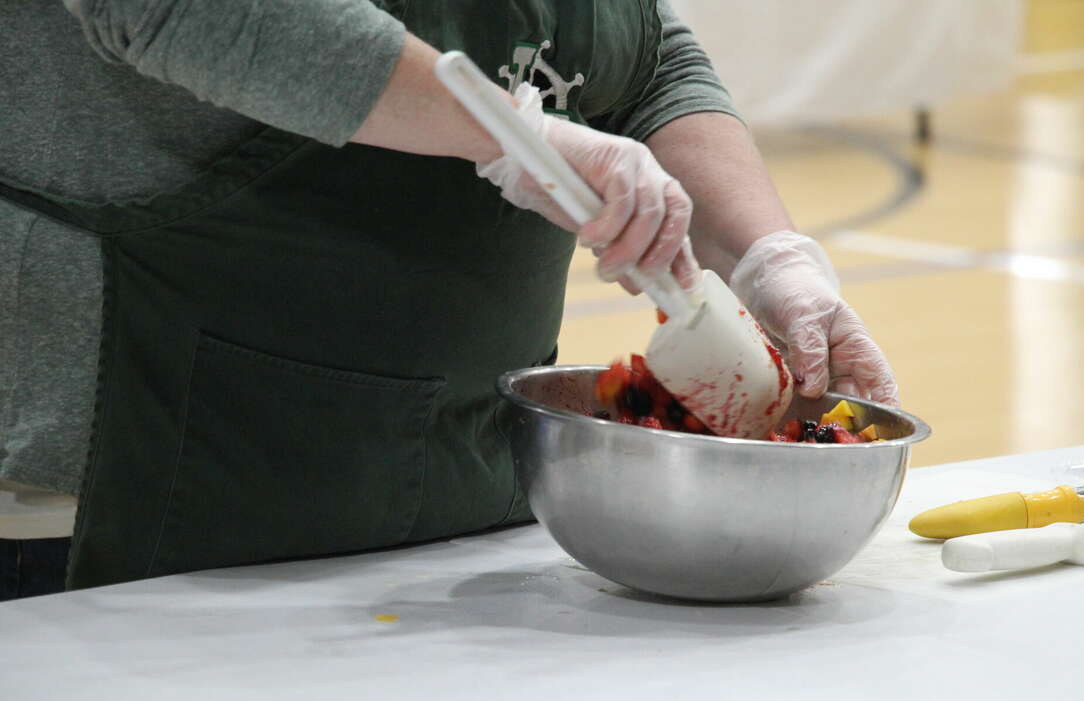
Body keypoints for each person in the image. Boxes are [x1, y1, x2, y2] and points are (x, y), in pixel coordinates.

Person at [0, 0, 898, 599]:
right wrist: (510, 133)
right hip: (117, 520)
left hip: (468, 518)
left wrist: (768, 253)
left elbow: (643, 47)